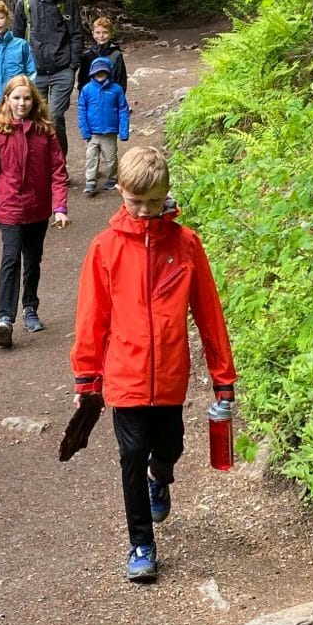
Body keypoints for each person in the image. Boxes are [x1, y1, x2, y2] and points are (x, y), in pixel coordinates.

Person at [69, 146, 234, 583]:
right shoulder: (105, 249)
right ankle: (141, 543)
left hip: (171, 375)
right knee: (131, 453)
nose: (144, 211)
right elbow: (92, 317)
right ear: (120, 192)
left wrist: (224, 380)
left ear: (167, 195)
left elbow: (209, 314)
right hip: (124, 374)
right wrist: (87, 377)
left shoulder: (186, 246)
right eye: (135, 201)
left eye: (154, 202)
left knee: (170, 447)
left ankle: (160, 476)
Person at [0, 75, 69, 348]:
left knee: (32, 261)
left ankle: (30, 307)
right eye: (16, 98)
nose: (22, 103)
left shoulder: (45, 131)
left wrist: (60, 207)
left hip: (38, 209)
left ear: (34, 101)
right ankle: (5, 318)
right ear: (7, 99)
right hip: (9, 209)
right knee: (10, 260)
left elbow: (58, 170)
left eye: (27, 98)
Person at [11, 0, 82, 157]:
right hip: (35, 72)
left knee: (55, 116)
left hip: (62, 69)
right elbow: (17, 41)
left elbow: (76, 34)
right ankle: (39, 166)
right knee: (34, 118)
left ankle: (59, 164)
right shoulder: (24, 4)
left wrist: (72, 65)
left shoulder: (65, 1)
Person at [75, 56, 130, 197]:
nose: (100, 75)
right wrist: (84, 129)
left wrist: (123, 131)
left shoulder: (116, 90)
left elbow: (123, 110)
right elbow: (82, 109)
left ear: (109, 72)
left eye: (103, 72)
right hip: (93, 133)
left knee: (111, 159)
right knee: (91, 158)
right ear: (92, 73)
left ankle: (112, 178)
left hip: (109, 133)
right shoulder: (87, 89)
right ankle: (90, 182)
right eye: (97, 72)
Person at [76, 15, 128, 94]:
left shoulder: (116, 55)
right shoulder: (88, 55)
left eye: (105, 32)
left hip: (111, 96)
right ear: (93, 34)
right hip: (92, 97)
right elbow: (82, 80)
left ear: (111, 33)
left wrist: (119, 98)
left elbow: (121, 80)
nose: (101, 36)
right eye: (98, 32)